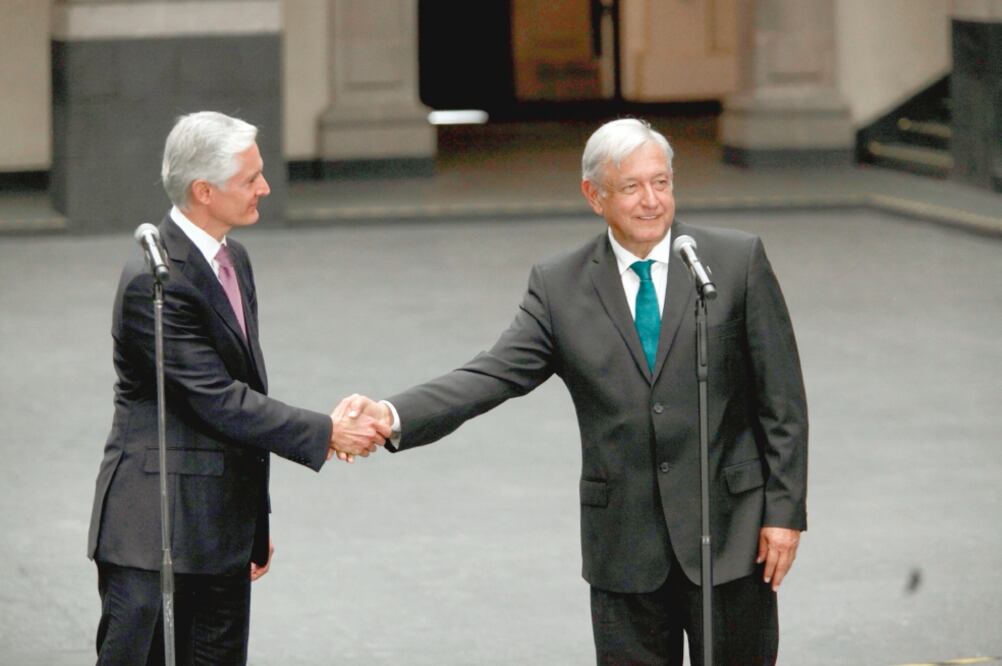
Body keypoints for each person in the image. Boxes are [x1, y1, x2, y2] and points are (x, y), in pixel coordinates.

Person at [344, 118, 808, 665]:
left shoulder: (732, 262)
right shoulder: (560, 285)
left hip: (730, 538)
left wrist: (784, 514)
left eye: (661, 182)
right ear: (594, 195)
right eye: (631, 187)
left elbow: (783, 402)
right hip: (625, 548)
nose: (651, 201)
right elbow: (490, 374)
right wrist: (392, 414)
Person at [87, 111, 388, 665]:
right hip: (154, 535)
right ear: (204, 190)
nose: (265, 188)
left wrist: (252, 522)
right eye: (250, 179)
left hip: (219, 529)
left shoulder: (233, 259)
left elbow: (243, 387)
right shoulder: (152, 283)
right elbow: (214, 399)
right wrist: (329, 432)